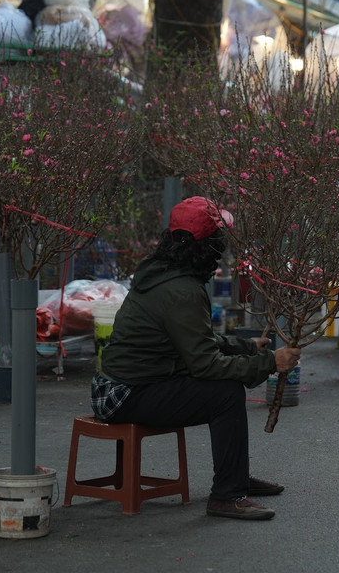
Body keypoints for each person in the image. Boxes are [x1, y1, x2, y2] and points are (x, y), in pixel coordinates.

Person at [91, 196, 301, 521]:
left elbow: (192, 341)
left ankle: (235, 478)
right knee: (226, 393)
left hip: (120, 384)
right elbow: (205, 364)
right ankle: (226, 495)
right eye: (220, 240)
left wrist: (245, 347)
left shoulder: (161, 271)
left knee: (223, 388)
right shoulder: (183, 290)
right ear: (208, 246)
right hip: (124, 395)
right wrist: (272, 362)